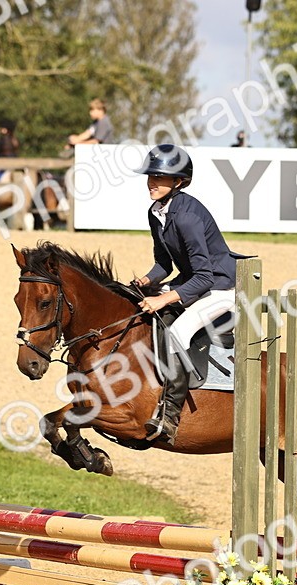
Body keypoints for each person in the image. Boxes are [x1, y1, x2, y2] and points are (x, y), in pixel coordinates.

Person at [130, 144, 244, 444]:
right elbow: (163, 264)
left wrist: (163, 297)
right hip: (195, 281)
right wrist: (146, 280)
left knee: (178, 330)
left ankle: (169, 414)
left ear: (178, 181)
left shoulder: (187, 217)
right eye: (150, 175)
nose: (152, 182)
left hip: (222, 287)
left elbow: (205, 277)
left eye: (160, 177)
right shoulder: (156, 212)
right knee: (138, 306)